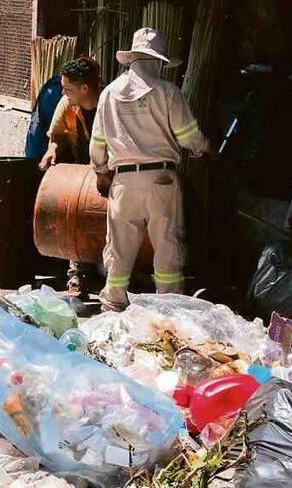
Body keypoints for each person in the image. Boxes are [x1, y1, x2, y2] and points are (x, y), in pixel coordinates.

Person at [90, 27, 209, 311]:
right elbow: (188, 136)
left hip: (123, 182)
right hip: (161, 180)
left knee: (119, 248)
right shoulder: (169, 93)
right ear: (158, 61)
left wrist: (101, 168)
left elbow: (97, 144)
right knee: (166, 244)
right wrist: (202, 148)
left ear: (132, 59)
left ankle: (113, 303)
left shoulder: (108, 94)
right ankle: (168, 306)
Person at [39, 56, 102, 295]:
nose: (63, 93)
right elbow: (56, 137)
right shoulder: (67, 104)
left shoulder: (110, 103)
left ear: (85, 88)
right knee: (76, 223)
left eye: (68, 88)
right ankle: (76, 275)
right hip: (80, 175)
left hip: (108, 172)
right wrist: (51, 152)